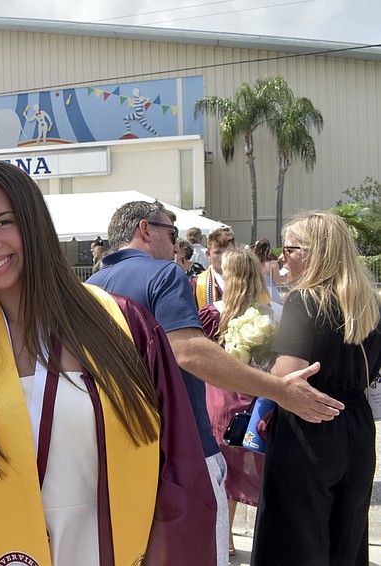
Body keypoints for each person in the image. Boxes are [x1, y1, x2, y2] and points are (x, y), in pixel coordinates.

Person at [0, 161, 216, 565]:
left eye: (4, 222)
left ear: (34, 223)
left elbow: (178, 464)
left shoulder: (122, 325)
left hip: (109, 548)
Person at [86, 200, 342, 566]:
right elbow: (189, 352)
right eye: (171, 234)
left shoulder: (91, 286)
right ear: (145, 229)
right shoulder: (164, 274)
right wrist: (279, 389)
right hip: (180, 446)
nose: (176, 247)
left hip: (116, 448)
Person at [251, 212, 381, 566]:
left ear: (313, 254)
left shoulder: (304, 300)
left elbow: (288, 376)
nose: (281, 256)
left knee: (294, 542)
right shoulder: (369, 303)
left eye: (289, 249)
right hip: (357, 426)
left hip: (308, 426)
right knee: (347, 541)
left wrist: (261, 361)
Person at [198, 248, 279, 556]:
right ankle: (265, 539)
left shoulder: (213, 313)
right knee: (262, 468)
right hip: (258, 399)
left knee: (223, 472)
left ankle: (226, 537)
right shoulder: (273, 313)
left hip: (219, 399)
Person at [191, 226, 236, 310]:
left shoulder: (247, 280)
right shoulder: (196, 284)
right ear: (208, 254)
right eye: (218, 252)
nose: (223, 257)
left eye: (228, 252)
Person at [250, 239, 284, 304]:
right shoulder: (273, 264)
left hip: (258, 292)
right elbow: (278, 281)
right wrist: (285, 278)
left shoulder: (253, 264)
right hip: (271, 293)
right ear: (268, 250)